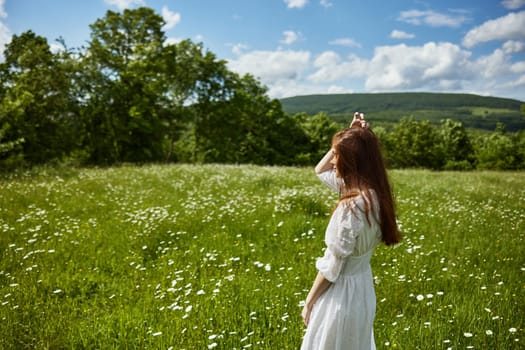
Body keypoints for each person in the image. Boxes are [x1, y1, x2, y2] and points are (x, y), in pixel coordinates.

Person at [300, 112, 401, 350]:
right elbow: (319, 170)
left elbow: (332, 267)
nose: (333, 161)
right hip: (362, 290)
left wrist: (309, 302)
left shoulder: (351, 206)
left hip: (339, 296)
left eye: (338, 156)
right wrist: (350, 135)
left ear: (351, 160)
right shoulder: (374, 195)